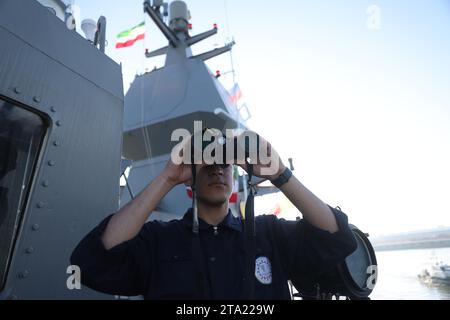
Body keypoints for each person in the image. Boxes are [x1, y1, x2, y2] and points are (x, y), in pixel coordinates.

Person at [70, 131, 357, 299]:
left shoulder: (269, 234)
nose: (217, 169)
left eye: (224, 165)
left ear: (234, 180)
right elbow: (92, 262)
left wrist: (280, 174)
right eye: (206, 164)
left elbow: (336, 238)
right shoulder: (159, 240)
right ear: (188, 183)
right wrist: (168, 177)